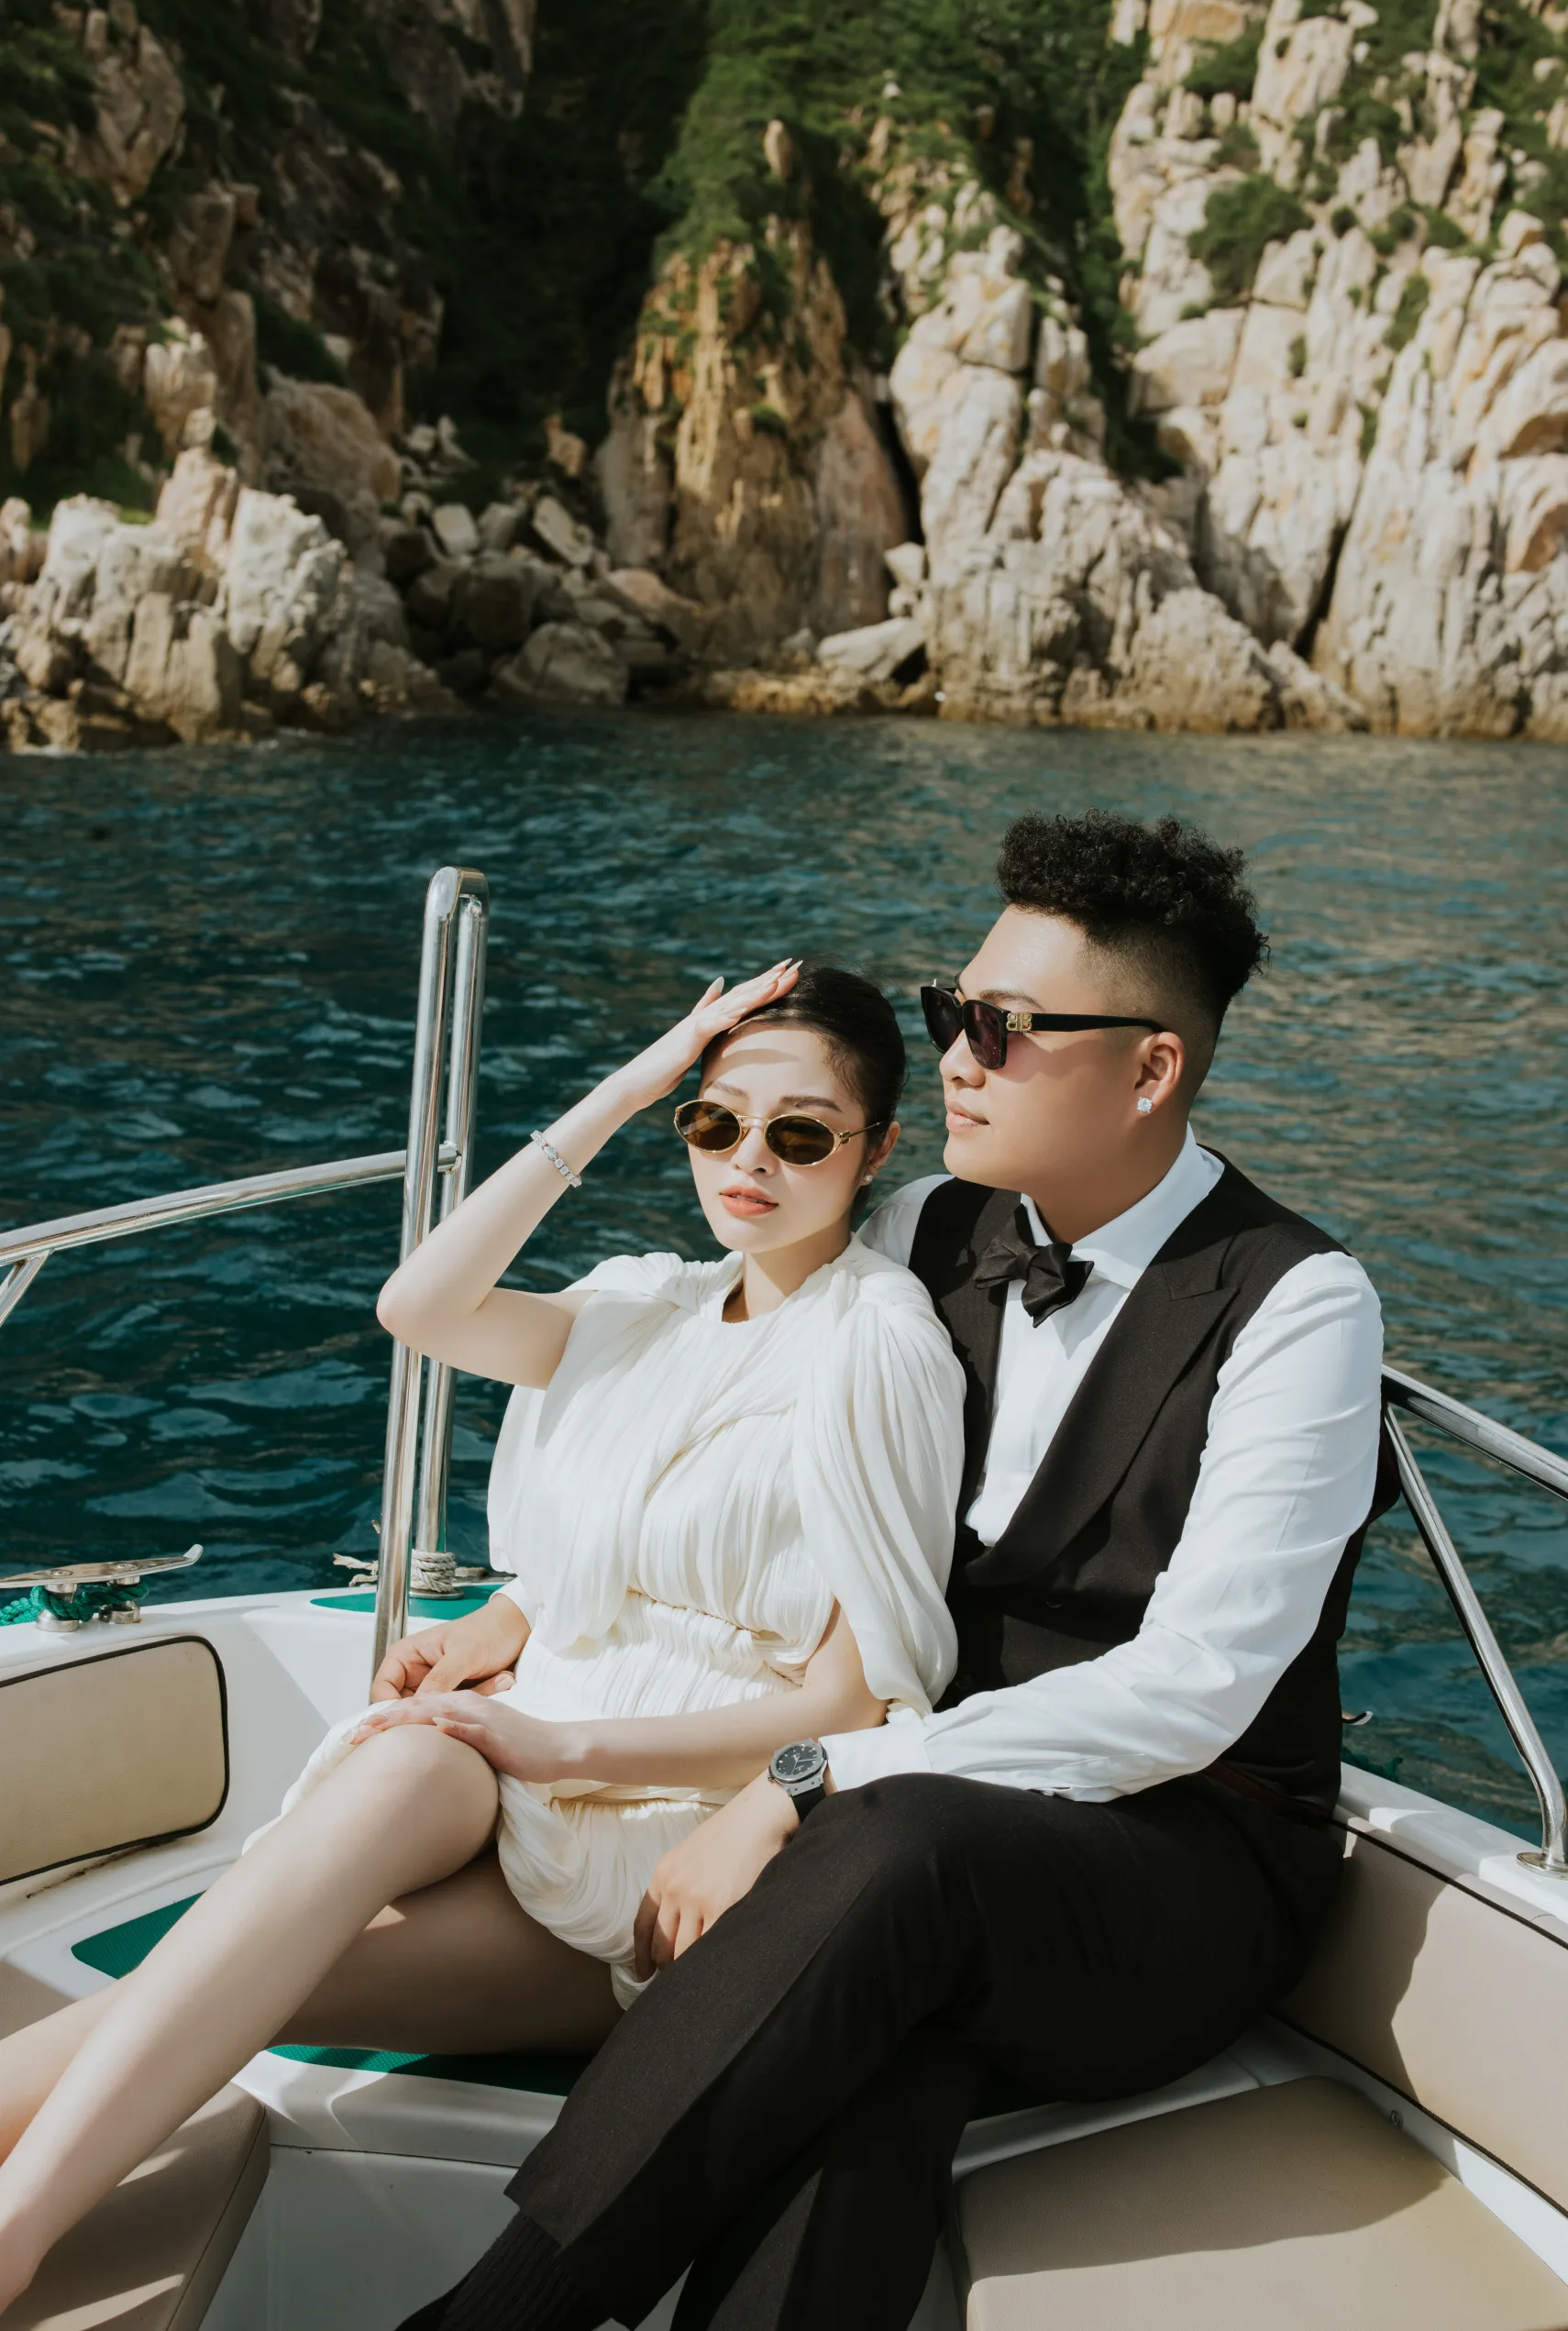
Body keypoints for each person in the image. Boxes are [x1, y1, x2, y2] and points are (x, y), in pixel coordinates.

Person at [389, 809, 1388, 2331]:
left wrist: (803, 1781)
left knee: (893, 1857)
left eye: (1001, 1028)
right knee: (869, 2069)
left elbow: (1195, 1691)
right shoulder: (925, 1229)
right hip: (919, 1840)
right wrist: (525, 1605)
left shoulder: (1296, 1302)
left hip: (1178, 1865)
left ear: (1149, 1070)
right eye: (948, 1013)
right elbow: (718, 1421)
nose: (955, 1060)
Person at [0, 960, 966, 2314]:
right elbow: (421, 1305)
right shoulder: (643, 1303)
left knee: (250, 1965)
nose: (748, 1159)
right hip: (517, 1746)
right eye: (713, 1122)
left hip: (668, 1835)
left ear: (875, 1148)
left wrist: (559, 1741)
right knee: (387, 1775)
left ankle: (16, 2227)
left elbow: (852, 1707)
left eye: (800, 1134)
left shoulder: (880, 1348)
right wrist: (631, 1083)